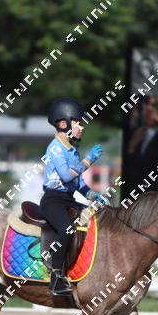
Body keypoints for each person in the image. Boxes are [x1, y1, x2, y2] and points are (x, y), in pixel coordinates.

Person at [40, 97, 105, 296]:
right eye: (77, 122)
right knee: (67, 229)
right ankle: (56, 277)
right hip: (53, 200)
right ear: (63, 124)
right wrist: (89, 160)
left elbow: (77, 184)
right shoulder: (55, 148)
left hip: (68, 199)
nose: (81, 127)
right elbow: (67, 175)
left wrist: (93, 194)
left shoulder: (72, 149)